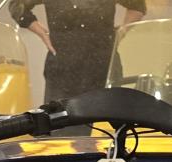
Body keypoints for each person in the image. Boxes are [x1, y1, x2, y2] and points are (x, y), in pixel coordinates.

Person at [9, 0, 146, 105]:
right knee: (62, 125)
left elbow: (138, 5)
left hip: (104, 66)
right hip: (63, 69)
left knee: (108, 124)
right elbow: (16, 5)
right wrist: (41, 32)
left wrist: (122, 32)